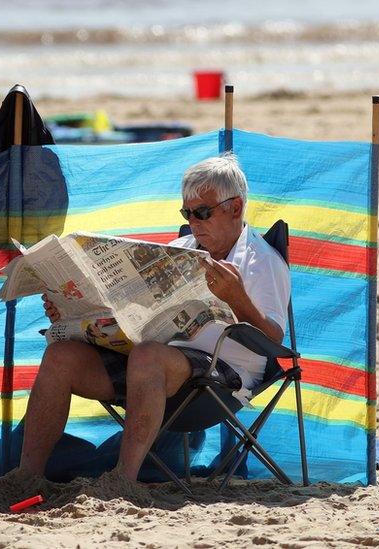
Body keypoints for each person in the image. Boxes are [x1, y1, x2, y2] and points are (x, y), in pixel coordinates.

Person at [20, 153, 291, 483]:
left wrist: (237, 299)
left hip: (221, 379)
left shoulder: (261, 260)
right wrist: (72, 311)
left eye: (202, 212)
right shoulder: (181, 248)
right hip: (155, 365)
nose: (194, 222)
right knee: (61, 356)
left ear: (234, 208)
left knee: (148, 356)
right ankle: (26, 477)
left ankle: (123, 480)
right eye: (187, 213)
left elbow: (272, 341)